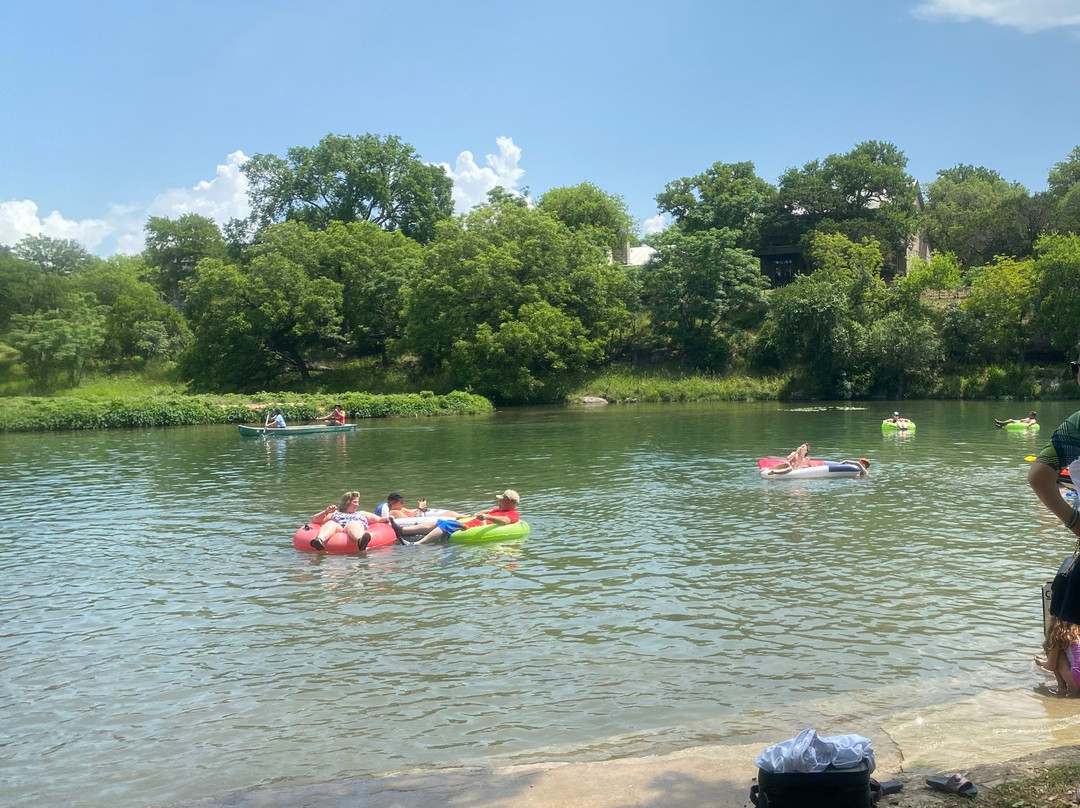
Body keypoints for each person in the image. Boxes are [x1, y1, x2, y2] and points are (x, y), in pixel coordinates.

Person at [399, 489, 520, 545]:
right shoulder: (497, 509)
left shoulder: (512, 514)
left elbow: (505, 521)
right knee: (438, 521)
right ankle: (403, 530)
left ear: (508, 502)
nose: (498, 502)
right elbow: (479, 512)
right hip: (470, 523)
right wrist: (489, 512)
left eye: (501, 500)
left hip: (470, 528)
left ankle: (417, 544)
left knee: (446, 524)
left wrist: (488, 516)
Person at [307, 491, 393, 551]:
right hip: (339, 529)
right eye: (355, 502)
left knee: (354, 523)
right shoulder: (335, 514)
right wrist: (326, 512)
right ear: (347, 503)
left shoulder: (362, 514)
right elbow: (314, 520)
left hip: (354, 527)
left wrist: (388, 518)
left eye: (357, 502)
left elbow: (380, 519)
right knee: (330, 523)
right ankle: (319, 541)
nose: (357, 505)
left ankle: (360, 540)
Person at [1035, 615, 1080, 695]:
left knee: (1050, 646)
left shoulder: (1058, 636)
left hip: (1077, 680)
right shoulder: (1077, 633)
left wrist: (1041, 664)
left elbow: (1051, 666)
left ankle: (1062, 687)